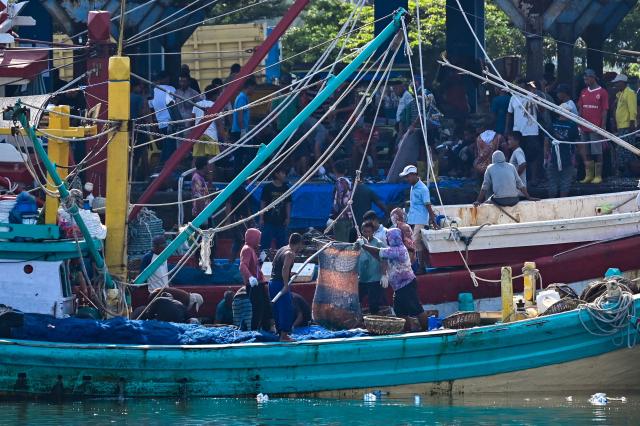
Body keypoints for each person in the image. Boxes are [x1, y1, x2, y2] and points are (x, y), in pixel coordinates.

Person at [359, 228, 424, 324]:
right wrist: (367, 246)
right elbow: (380, 256)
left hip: (407, 285)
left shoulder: (399, 250)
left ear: (393, 238)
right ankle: (407, 330)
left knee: (417, 309)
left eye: (388, 237)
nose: (387, 239)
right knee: (400, 311)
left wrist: (364, 246)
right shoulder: (391, 250)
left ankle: (425, 329)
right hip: (398, 288)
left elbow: (379, 252)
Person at [399, 165, 438, 272]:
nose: (406, 179)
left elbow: (428, 204)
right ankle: (420, 265)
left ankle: (419, 266)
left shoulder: (423, 189)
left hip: (420, 219)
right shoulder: (413, 186)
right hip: (413, 218)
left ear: (413, 175)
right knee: (416, 243)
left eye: (407, 177)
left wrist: (432, 218)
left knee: (415, 242)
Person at [268, 233, 305, 341]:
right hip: (280, 284)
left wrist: (290, 273)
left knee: (277, 309)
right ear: (298, 243)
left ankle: (279, 333)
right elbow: (284, 269)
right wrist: (285, 285)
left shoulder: (282, 249)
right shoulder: (290, 253)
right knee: (286, 309)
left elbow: (278, 267)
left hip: (272, 283)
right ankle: (284, 336)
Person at [577, 69, 609, 184]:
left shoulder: (602, 92)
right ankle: (588, 175)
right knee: (586, 151)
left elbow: (604, 110)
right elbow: (580, 108)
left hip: (595, 127)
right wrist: (578, 123)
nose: (585, 81)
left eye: (586, 78)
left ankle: (598, 175)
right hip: (584, 127)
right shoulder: (583, 92)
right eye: (584, 79)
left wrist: (603, 126)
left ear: (593, 78)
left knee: (597, 151)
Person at [506, 80, 541, 184]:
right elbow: (509, 114)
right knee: (518, 154)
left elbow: (542, 110)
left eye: (522, 86)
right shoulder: (513, 97)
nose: (520, 88)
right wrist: (507, 129)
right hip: (518, 131)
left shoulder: (532, 96)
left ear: (526, 87)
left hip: (531, 131)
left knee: (533, 155)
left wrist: (535, 95)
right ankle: (517, 178)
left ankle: (533, 179)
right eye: (518, 86)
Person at [239, 228, 272, 331]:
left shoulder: (251, 249)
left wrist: (260, 260)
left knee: (265, 307)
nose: (259, 241)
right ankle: (254, 331)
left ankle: (266, 328)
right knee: (258, 308)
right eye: (257, 238)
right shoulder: (247, 249)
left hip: (259, 283)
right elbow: (242, 266)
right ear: (253, 238)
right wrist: (250, 278)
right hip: (254, 284)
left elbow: (254, 267)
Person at [544, 101, 578, 198]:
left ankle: (552, 204)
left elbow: (546, 142)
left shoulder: (552, 125)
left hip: (554, 158)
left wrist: (545, 157)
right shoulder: (573, 126)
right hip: (567, 159)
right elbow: (579, 144)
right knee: (565, 184)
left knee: (552, 183)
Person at [357, 221, 388, 315]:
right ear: (361, 231)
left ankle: (375, 323)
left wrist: (384, 275)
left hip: (375, 279)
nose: (367, 234)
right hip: (362, 279)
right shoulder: (358, 243)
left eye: (369, 232)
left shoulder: (379, 243)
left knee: (374, 304)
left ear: (373, 232)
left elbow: (384, 260)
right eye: (365, 231)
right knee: (357, 301)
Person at [612, 73, 638, 176]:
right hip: (621, 125)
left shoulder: (630, 93)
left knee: (627, 150)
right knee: (621, 150)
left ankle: (629, 172)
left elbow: (633, 109)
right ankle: (624, 171)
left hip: (627, 126)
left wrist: (632, 122)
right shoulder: (621, 94)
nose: (616, 85)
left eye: (617, 83)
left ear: (623, 82)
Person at [259, 167, 291, 250]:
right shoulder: (267, 187)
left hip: (281, 221)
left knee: (282, 244)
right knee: (265, 244)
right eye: (282, 173)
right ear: (276, 174)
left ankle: (280, 260)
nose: (284, 175)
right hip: (268, 220)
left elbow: (288, 203)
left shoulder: (286, 188)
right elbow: (263, 203)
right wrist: (261, 218)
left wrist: (288, 217)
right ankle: (263, 261)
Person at [148, 71, 176, 163]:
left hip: (161, 123)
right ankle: (164, 166)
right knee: (171, 147)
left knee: (166, 145)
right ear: (165, 79)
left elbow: (151, 105)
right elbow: (174, 104)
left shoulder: (155, 90)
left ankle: (162, 166)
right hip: (171, 121)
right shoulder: (171, 88)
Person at [231, 77, 257, 170]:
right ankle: (240, 177)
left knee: (242, 155)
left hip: (241, 130)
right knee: (244, 155)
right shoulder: (242, 98)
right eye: (254, 88)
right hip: (239, 132)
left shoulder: (244, 98)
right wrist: (243, 131)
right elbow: (240, 117)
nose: (254, 91)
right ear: (249, 87)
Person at [192, 84, 221, 160]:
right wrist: (223, 139)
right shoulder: (216, 106)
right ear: (215, 95)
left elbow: (191, 122)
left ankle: (194, 172)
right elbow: (218, 124)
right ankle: (211, 172)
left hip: (198, 135)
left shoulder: (197, 105)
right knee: (211, 160)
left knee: (196, 160)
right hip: (211, 135)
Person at [329, 160, 353, 243]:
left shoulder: (340, 182)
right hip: (347, 217)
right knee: (345, 242)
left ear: (334, 170)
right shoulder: (348, 182)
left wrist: (334, 216)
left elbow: (339, 201)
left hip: (340, 218)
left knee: (341, 244)